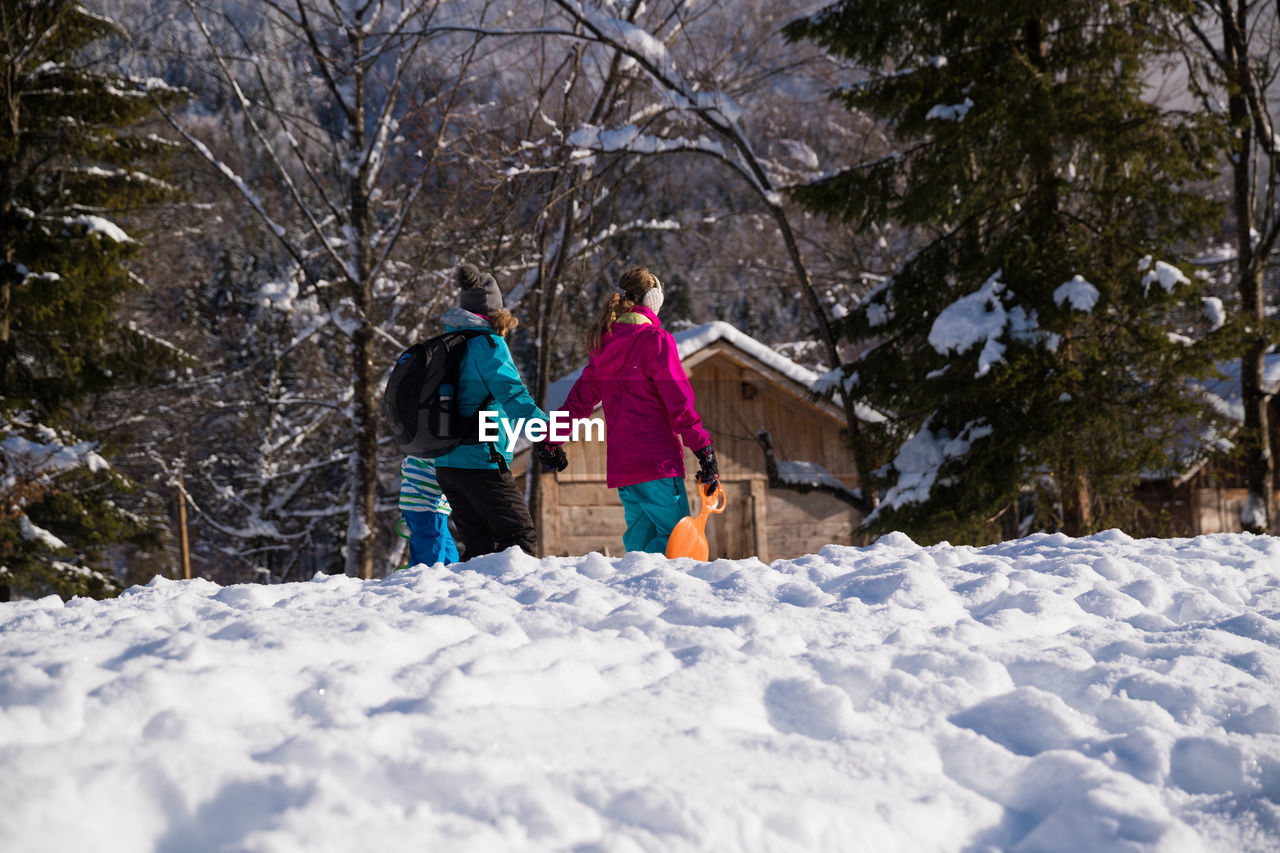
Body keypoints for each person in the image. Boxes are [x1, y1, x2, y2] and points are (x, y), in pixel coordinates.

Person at [558, 266, 718, 554]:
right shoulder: (655, 341)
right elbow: (680, 406)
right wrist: (704, 451)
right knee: (679, 549)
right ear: (652, 301)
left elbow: (578, 402)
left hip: (625, 469)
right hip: (658, 464)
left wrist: (551, 438)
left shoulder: (603, 346)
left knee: (641, 555)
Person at [434, 262, 564, 560]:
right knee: (519, 538)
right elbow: (514, 395)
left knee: (478, 548)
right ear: (496, 314)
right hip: (481, 461)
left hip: (447, 464)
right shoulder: (488, 346)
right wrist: (548, 436)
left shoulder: (448, 344)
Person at [397, 456, 459, 567]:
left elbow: (405, 464)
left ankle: (450, 573)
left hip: (411, 502)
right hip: (429, 506)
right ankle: (428, 577)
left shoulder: (418, 445)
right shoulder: (443, 449)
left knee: (444, 545)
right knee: (430, 550)